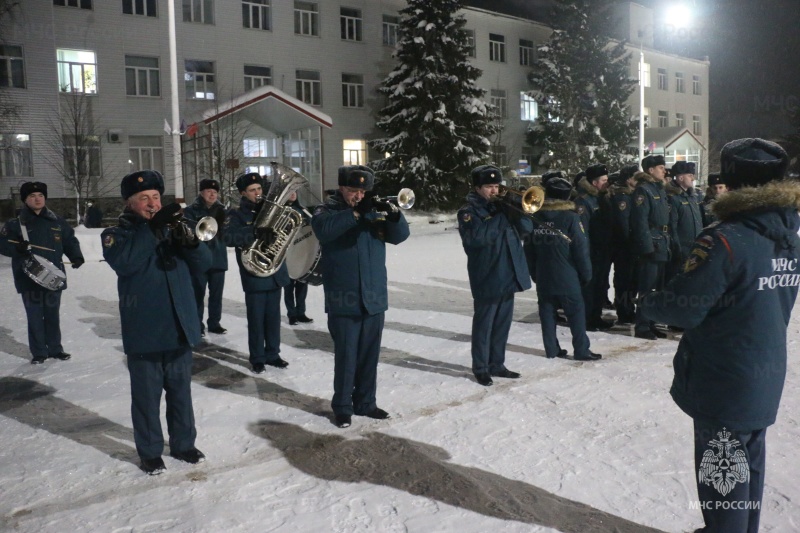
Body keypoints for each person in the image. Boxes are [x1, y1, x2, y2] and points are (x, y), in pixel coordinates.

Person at [639, 138, 797, 533]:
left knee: (723, 475)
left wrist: (648, 302)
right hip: (765, 369)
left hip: (724, 376)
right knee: (749, 464)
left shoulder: (725, 238)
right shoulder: (788, 235)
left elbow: (684, 308)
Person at [102, 170, 211, 475]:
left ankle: (183, 444)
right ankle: (150, 452)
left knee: (181, 393)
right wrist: (152, 230)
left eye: (155, 197)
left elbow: (206, 264)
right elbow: (124, 263)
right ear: (129, 203)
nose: (152, 203)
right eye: (144, 198)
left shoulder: (173, 229)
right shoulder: (116, 234)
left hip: (179, 327)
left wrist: (191, 243)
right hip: (146, 332)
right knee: (147, 398)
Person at [311, 165, 410, 428]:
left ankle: (366, 402)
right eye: (354, 191)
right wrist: (355, 213)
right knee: (347, 356)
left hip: (374, 296)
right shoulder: (327, 210)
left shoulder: (373, 209)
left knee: (369, 356)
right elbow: (324, 231)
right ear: (342, 188)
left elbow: (400, 237)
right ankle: (343, 406)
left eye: (363, 191)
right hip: (344, 297)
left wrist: (394, 215)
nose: (359, 196)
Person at [458, 165, 531, 387]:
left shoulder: (502, 206)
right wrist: (501, 216)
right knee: (484, 325)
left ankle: (497, 364)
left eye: (497, 186)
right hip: (488, 275)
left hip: (509, 272)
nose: (494, 191)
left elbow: (527, 229)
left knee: (502, 324)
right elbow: (475, 240)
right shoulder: (469, 212)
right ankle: (481, 368)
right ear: (477, 188)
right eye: (489, 186)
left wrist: (518, 210)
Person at [0, 182, 84, 364]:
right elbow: (3, 244)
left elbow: (69, 240)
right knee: (35, 317)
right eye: (32, 196)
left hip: (53, 277)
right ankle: (39, 352)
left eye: (40, 195)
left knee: (52, 315)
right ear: (25, 200)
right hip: (28, 278)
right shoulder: (16, 224)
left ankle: (55, 349)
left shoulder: (57, 221)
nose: (37, 199)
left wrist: (76, 256)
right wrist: (18, 249)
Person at [525, 176, 599, 361]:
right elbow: (581, 249)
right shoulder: (571, 218)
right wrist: (586, 274)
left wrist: (534, 273)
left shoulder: (535, 217)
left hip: (543, 275)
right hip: (568, 276)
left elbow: (529, 249)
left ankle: (551, 349)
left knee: (547, 313)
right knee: (576, 313)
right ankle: (581, 350)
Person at [225, 172, 291, 374]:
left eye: (259, 189)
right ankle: (257, 357)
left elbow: (287, 229)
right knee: (256, 320)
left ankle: (273, 353)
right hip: (254, 273)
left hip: (274, 272)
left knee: (273, 318)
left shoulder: (272, 209)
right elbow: (229, 237)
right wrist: (253, 232)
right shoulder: (236, 214)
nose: (257, 193)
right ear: (243, 193)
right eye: (252, 190)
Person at [630, 155, 670, 340]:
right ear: (651, 170)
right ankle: (642, 325)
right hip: (652, 243)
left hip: (662, 242)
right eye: (661, 167)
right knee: (647, 287)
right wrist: (647, 247)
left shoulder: (658, 189)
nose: (664, 171)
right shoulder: (643, 190)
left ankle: (652, 322)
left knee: (657, 288)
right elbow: (640, 222)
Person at [183, 178, 229, 336]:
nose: (212, 194)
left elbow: (228, 235)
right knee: (198, 294)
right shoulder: (191, 210)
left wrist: (224, 226)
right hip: (199, 259)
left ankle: (214, 323)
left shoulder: (223, 210)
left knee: (216, 295)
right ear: (201, 192)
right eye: (209, 191)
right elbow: (188, 233)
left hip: (218, 259)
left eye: (215, 192)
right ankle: (197, 325)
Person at [575, 163, 614, 331]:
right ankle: (587, 319)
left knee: (600, 286)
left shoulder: (600, 197)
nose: (607, 183)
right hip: (591, 252)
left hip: (602, 251)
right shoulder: (583, 202)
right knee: (589, 288)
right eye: (604, 180)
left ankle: (596, 316)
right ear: (594, 182)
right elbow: (582, 232)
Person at [608, 164, 639, 324]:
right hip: (624, 246)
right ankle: (624, 311)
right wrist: (629, 243)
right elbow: (623, 224)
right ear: (628, 179)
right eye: (636, 177)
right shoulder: (622, 197)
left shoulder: (630, 195)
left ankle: (628, 308)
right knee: (624, 280)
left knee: (631, 280)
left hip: (628, 245)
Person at [666, 161, 703, 283]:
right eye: (690, 175)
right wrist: (677, 249)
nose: (693, 178)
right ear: (681, 178)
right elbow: (672, 226)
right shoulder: (673, 198)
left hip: (695, 249)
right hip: (682, 250)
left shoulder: (693, 196)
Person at [283, 190, 314, 325]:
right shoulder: (281, 211)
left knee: (302, 284)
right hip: (287, 252)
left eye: (295, 191)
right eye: (290, 192)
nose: (293, 194)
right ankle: (292, 314)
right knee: (288, 286)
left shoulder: (302, 209)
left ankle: (301, 312)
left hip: (301, 252)